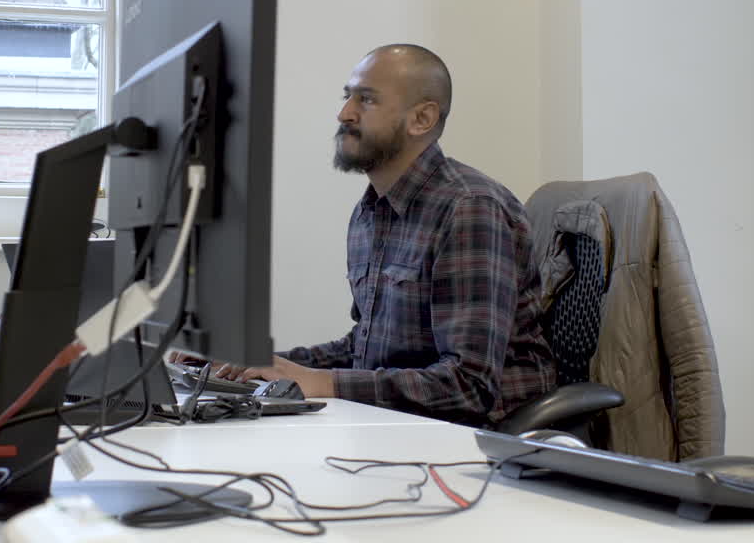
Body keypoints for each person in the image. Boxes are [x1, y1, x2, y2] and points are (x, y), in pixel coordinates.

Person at [218, 44, 556, 427]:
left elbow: (469, 385)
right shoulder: (370, 212)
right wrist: (261, 363)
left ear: (422, 119)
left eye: (366, 100)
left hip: (484, 442)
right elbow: (365, 346)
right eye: (348, 96)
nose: (343, 113)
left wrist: (323, 382)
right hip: (400, 426)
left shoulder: (469, 209)